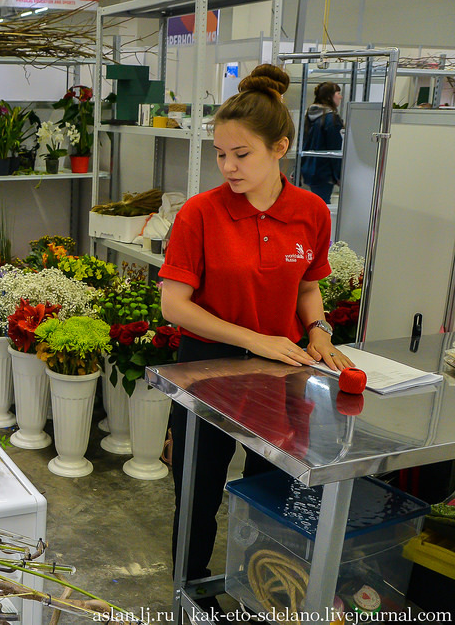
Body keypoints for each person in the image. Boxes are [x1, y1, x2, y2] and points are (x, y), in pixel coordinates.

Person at [158, 64, 355, 613]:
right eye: (220, 154)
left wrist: (316, 329)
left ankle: (261, 589)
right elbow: (174, 305)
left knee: (272, 495)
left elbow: (308, 288)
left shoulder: (311, 212)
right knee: (196, 496)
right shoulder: (202, 213)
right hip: (207, 370)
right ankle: (188, 596)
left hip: (282, 378)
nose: (227, 166)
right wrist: (256, 340)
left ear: (280, 149)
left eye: (240, 155)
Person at [300, 81, 345, 204]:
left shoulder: (309, 115)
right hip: (324, 172)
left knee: (314, 204)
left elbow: (303, 143)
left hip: (309, 170)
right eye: (338, 93)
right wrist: (339, 175)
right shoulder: (331, 119)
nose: (340, 96)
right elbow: (335, 150)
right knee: (322, 207)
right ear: (330, 96)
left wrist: (298, 169)